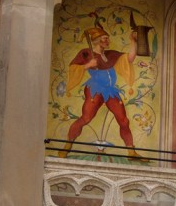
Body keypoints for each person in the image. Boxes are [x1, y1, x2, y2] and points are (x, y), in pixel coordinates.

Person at [59, 26, 143, 159]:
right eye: (105, 38)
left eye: (108, 38)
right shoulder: (86, 53)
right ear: (97, 40)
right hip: (95, 88)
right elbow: (73, 68)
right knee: (86, 118)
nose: (108, 41)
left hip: (110, 90)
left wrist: (133, 41)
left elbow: (130, 58)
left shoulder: (110, 54)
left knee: (124, 120)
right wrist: (88, 65)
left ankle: (131, 151)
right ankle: (67, 146)